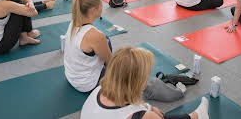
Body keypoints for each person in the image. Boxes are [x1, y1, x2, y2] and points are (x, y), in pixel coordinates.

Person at [81, 46, 209, 119]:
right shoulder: (142, 116)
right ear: (136, 81)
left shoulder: (100, 89)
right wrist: (148, 112)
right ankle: (196, 116)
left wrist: (147, 107)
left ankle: (196, 116)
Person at [64, 0, 112, 92]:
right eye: (101, 5)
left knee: (105, 40)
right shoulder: (96, 36)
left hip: (71, 76)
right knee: (107, 41)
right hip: (86, 84)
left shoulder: (73, 22)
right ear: (94, 10)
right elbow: (111, 62)